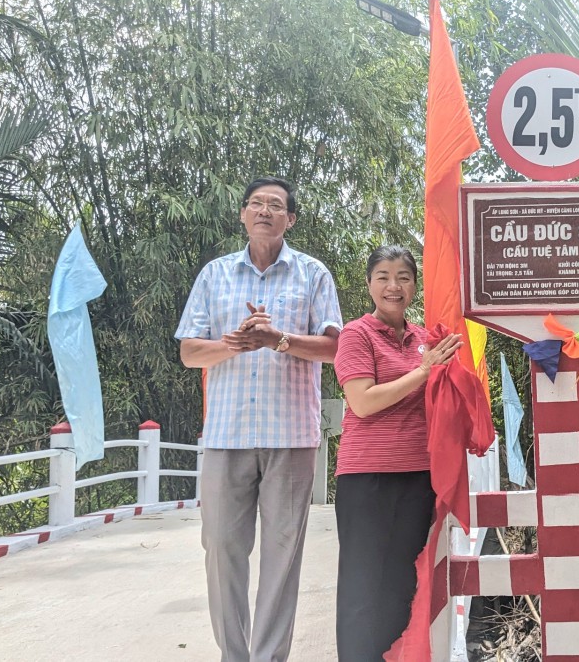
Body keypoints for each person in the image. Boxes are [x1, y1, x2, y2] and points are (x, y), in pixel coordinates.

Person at [175, 176, 342, 662]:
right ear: (243, 214)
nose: (264, 210)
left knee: (282, 556)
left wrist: (277, 340)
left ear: (291, 219)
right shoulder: (215, 275)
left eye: (275, 205)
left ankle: (269, 658)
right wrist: (234, 344)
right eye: (256, 203)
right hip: (226, 435)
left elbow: (334, 348)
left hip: (290, 436)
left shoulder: (313, 274)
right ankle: (235, 655)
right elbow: (189, 352)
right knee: (220, 548)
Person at [331, 245, 462, 662]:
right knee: (361, 583)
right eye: (383, 277)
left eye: (403, 277)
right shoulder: (356, 334)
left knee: (402, 582)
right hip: (365, 477)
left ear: (414, 286)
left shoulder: (427, 339)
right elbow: (363, 402)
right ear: (369, 284)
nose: (393, 286)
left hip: (418, 476)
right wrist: (423, 371)